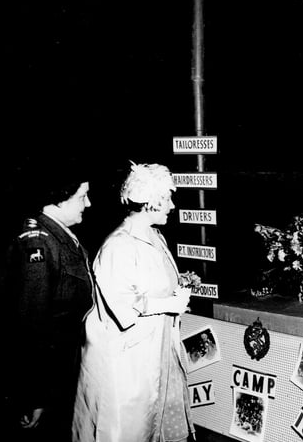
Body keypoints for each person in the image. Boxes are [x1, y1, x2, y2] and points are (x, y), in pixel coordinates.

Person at [72, 162, 196, 442]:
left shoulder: (154, 236)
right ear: (152, 202)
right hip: (128, 363)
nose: (172, 206)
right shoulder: (119, 245)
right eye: (168, 199)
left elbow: (151, 282)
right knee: (130, 431)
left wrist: (179, 284)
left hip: (159, 351)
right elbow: (123, 305)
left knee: (159, 428)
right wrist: (168, 304)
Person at [8, 169, 94, 441]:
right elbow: (31, 324)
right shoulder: (40, 243)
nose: (88, 203)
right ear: (60, 198)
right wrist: (34, 396)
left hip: (66, 366)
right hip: (51, 377)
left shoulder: (60, 235)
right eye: (83, 196)